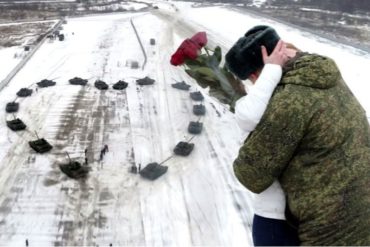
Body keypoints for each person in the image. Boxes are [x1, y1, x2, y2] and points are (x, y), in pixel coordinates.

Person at [226, 25, 370, 245]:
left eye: (251, 80)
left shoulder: (289, 100)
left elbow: (250, 175)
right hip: (360, 213)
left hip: (327, 231)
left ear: (257, 74)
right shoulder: (324, 72)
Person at [232, 36, 299, 245]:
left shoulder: (264, 101)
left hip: (275, 216)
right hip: (312, 213)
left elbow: (247, 116)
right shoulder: (303, 89)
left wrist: (270, 71)